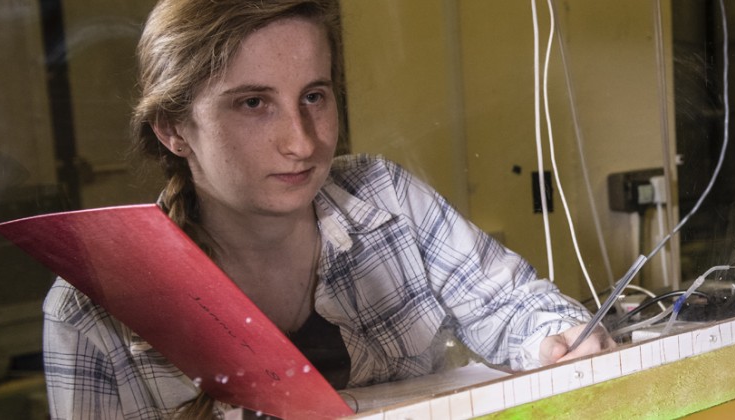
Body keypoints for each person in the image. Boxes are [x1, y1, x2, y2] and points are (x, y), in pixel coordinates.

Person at [40, 0, 610, 417]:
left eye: (314, 95)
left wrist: (557, 338)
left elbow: (514, 307)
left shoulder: (382, 195)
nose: (303, 142)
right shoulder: (91, 309)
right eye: (253, 103)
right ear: (172, 130)